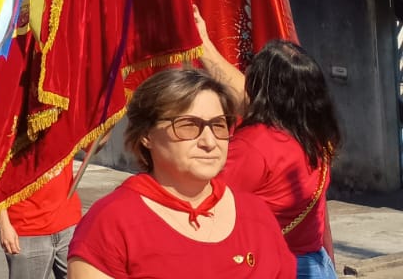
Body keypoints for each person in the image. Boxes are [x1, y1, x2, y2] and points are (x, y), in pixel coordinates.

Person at [68, 68, 293, 279]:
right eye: (188, 125)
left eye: (218, 125)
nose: (209, 141)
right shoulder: (111, 223)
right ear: (147, 135)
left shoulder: (256, 213)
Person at [203, 38, 342, 278]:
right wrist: (203, 41)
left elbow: (209, 203)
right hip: (317, 264)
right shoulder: (314, 132)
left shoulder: (253, 145)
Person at [0, 162, 81, 279]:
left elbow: (92, 147)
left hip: (69, 223)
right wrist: (3, 224)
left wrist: (103, 142)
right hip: (26, 229)